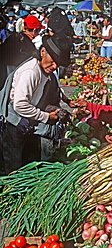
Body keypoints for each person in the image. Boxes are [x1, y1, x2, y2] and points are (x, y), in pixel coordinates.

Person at [0, 32, 73, 175]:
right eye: (53, 60)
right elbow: (20, 104)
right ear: (42, 51)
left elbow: (51, 90)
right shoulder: (31, 72)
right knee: (14, 166)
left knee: (29, 162)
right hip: (16, 123)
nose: (54, 66)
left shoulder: (44, 71)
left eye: (58, 63)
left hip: (28, 122)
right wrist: (46, 117)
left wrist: (65, 102)